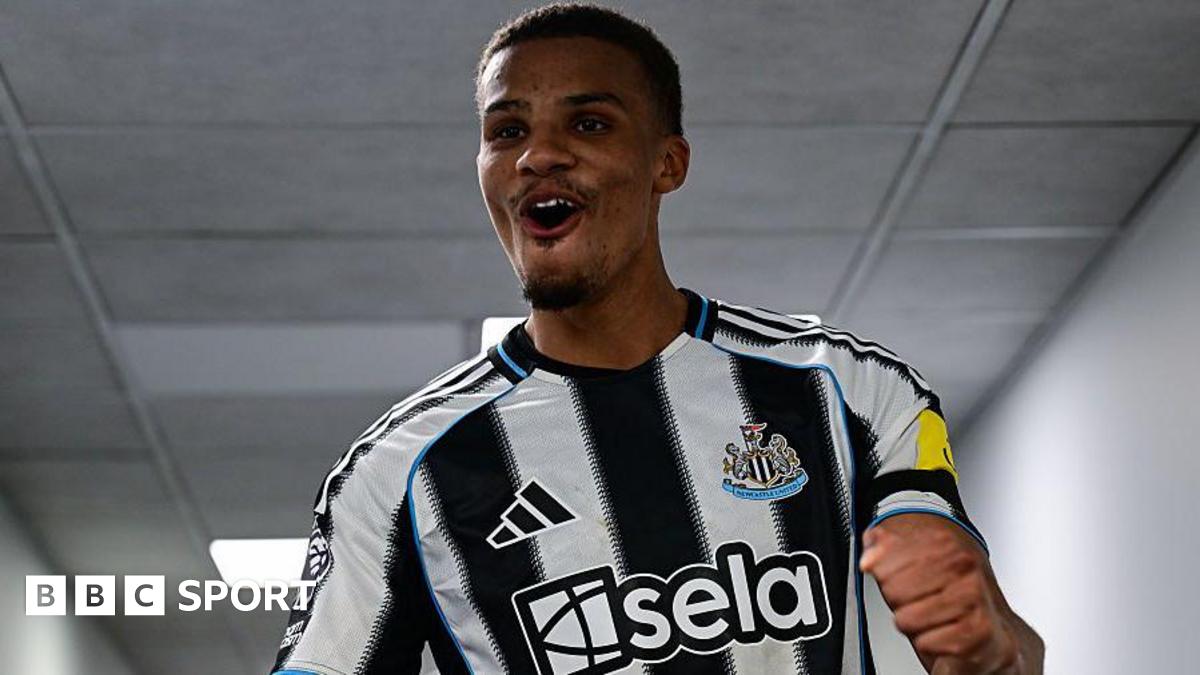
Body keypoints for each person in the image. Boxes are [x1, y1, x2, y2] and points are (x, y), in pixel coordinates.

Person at [270, 4, 1043, 674]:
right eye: (507, 130)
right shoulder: (398, 470)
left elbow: (1010, 647)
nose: (537, 154)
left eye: (589, 123)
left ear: (666, 163)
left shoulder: (850, 389)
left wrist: (981, 643)